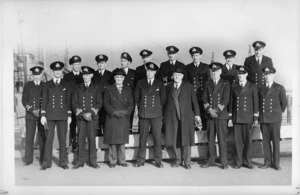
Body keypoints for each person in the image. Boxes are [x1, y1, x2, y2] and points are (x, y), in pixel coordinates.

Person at [164, 68, 201, 169]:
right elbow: (164, 102)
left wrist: (197, 115)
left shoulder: (189, 87)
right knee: (175, 138)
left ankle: (187, 162)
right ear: (172, 76)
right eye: (175, 75)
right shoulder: (168, 87)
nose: (177, 77)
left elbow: (195, 103)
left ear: (182, 77)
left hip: (186, 117)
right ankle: (177, 160)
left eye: (179, 75)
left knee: (186, 139)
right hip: (172, 117)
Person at [40, 61, 72, 170]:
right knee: (48, 139)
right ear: (53, 71)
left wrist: (69, 115)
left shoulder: (66, 84)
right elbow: (44, 100)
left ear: (62, 71)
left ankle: (63, 162)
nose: (57, 72)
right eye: (55, 70)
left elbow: (68, 101)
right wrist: (43, 115)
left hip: (63, 116)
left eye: (59, 70)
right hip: (49, 116)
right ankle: (46, 163)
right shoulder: (47, 84)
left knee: (63, 140)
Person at [134, 62, 166, 168]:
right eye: (148, 71)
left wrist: (156, 108)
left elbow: (163, 99)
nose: (149, 73)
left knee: (157, 138)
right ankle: (140, 160)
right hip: (144, 113)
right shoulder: (140, 83)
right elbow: (136, 98)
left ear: (155, 72)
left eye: (152, 71)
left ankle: (158, 160)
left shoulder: (160, 83)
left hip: (156, 114)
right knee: (143, 137)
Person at [228, 66, 259, 169]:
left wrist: (255, 118)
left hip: (248, 118)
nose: (240, 76)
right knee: (237, 142)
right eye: (239, 74)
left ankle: (248, 162)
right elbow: (231, 103)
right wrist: (230, 118)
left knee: (248, 142)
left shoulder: (252, 86)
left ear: (246, 75)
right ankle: (238, 162)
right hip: (237, 118)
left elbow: (255, 102)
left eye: (242, 74)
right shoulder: (234, 86)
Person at [72, 66, 102, 169]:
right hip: (81, 118)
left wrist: (91, 113)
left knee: (91, 140)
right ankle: (80, 161)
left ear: (91, 75)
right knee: (80, 139)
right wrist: (82, 114)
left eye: (87, 75)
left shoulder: (96, 88)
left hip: (92, 118)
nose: (85, 77)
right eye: (84, 75)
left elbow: (99, 103)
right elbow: (74, 103)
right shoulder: (77, 87)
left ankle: (93, 161)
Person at [201, 62, 230, 169]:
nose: (214, 73)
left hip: (221, 116)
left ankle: (224, 162)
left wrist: (216, 110)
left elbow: (225, 99)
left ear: (220, 72)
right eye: (212, 71)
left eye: (216, 71)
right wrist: (209, 110)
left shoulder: (225, 83)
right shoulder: (208, 83)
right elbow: (204, 98)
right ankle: (210, 161)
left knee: (222, 139)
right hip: (210, 116)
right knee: (210, 139)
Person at [103, 68, 134, 168]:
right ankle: (112, 161)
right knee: (112, 140)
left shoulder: (128, 89)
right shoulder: (108, 89)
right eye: (117, 77)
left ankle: (122, 160)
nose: (119, 79)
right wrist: (114, 112)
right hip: (112, 117)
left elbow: (131, 105)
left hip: (123, 118)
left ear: (124, 78)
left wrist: (125, 112)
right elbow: (106, 104)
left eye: (121, 77)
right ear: (114, 78)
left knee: (122, 140)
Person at [258, 66, 287, 170]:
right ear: (263, 75)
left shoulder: (279, 87)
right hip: (264, 118)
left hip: (274, 119)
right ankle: (267, 162)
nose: (267, 77)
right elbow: (259, 104)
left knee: (275, 141)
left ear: (273, 75)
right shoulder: (260, 88)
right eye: (265, 74)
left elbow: (284, 104)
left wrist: (277, 114)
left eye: (269, 74)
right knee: (265, 142)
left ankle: (276, 163)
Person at [22, 66, 46, 166]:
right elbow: (24, 100)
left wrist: (41, 111)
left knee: (42, 137)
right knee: (29, 137)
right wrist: (32, 110)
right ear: (32, 75)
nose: (36, 77)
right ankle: (28, 159)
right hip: (30, 115)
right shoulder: (28, 85)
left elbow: (46, 100)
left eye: (38, 75)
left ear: (42, 75)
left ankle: (43, 159)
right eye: (35, 75)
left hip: (41, 115)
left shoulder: (45, 85)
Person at [186, 46, 210, 131]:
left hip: (203, 95)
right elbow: (186, 83)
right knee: (194, 116)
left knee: (204, 115)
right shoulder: (187, 67)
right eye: (193, 55)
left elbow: (209, 82)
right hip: (192, 96)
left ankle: (205, 137)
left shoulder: (206, 67)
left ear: (200, 56)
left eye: (197, 55)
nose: (195, 57)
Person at [63, 55, 84, 152]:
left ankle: (80, 145)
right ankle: (72, 145)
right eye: (75, 64)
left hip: (81, 106)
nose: (76, 66)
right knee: (72, 126)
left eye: (78, 64)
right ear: (72, 65)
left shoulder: (84, 76)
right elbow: (65, 92)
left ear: (80, 64)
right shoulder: (67, 77)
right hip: (71, 105)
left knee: (81, 126)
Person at [92, 54, 113, 136]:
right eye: (99, 63)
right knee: (96, 123)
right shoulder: (93, 74)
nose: (101, 65)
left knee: (106, 123)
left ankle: (106, 143)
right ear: (97, 64)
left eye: (103, 63)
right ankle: (97, 143)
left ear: (106, 64)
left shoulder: (110, 75)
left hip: (106, 102)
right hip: (96, 102)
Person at [120, 52, 136, 132]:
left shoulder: (134, 73)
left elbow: (135, 88)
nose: (122, 62)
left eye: (125, 61)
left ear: (129, 62)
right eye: (122, 60)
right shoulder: (116, 72)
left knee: (129, 120)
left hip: (129, 102)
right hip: (119, 101)